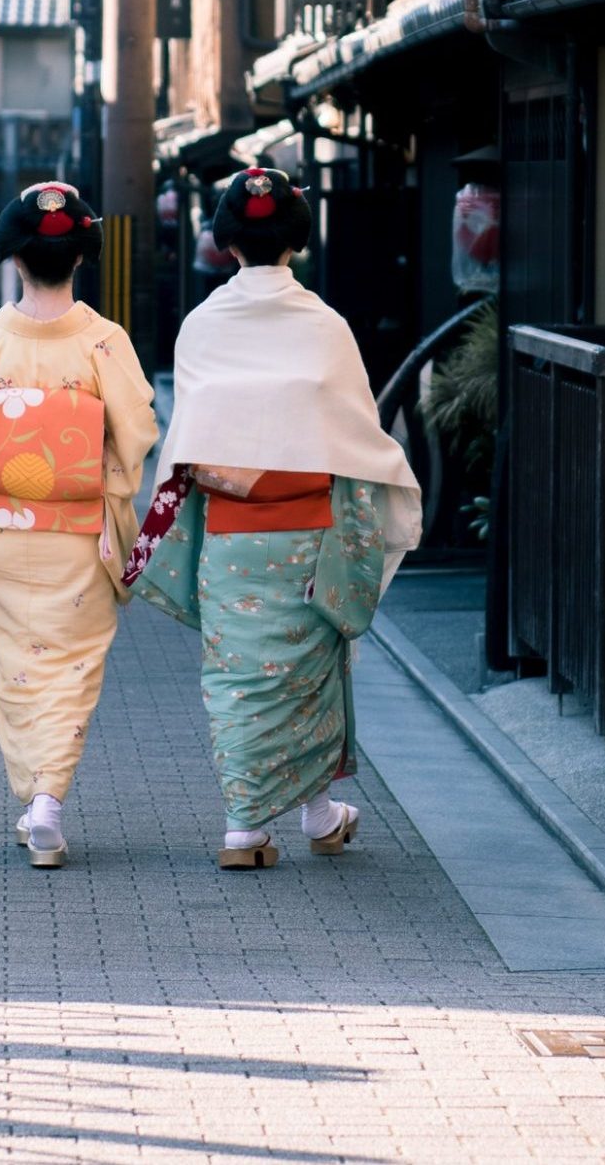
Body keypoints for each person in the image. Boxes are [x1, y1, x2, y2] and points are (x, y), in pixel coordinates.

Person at [123, 167, 422, 870]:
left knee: (238, 677)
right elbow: (357, 436)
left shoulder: (201, 327)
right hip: (312, 534)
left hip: (231, 537)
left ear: (226, 243)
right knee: (317, 671)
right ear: (297, 240)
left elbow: (189, 439)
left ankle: (252, 826)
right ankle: (308, 817)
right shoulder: (324, 327)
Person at [0, 183, 158, 868]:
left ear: (16, 262)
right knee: (73, 666)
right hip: (80, 531)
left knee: (16, 668)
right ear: (79, 260)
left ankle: (35, 798)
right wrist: (101, 482)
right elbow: (137, 432)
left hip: (4, 529)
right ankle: (49, 800)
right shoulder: (103, 341)